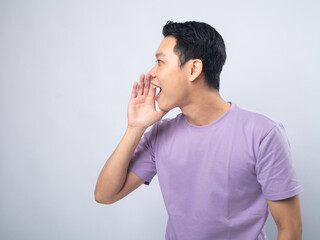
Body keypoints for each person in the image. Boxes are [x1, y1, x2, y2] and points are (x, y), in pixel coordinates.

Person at [95, 20, 302, 240]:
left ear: (193, 69)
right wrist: (135, 128)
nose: (151, 73)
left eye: (160, 62)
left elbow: (290, 228)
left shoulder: (263, 134)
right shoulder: (159, 134)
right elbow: (105, 195)